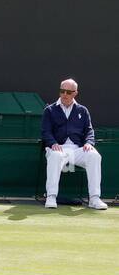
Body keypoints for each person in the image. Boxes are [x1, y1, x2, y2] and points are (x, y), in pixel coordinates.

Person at [42, 78, 106, 210]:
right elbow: (45, 131)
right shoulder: (49, 110)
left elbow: (89, 130)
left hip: (77, 149)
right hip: (57, 148)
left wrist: (89, 143)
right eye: (62, 91)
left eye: (68, 92)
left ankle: (94, 198)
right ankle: (51, 196)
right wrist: (53, 143)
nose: (65, 94)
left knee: (94, 156)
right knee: (55, 156)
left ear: (75, 93)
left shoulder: (82, 110)